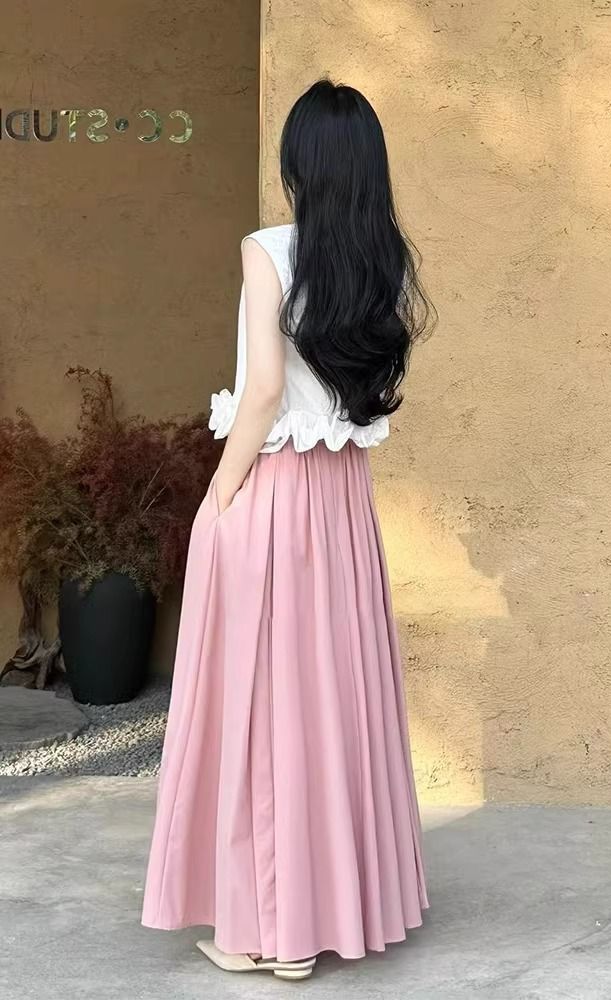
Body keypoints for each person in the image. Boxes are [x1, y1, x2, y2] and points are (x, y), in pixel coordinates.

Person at [140, 76, 435, 981]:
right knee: (331, 698)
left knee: (259, 701)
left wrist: (218, 493)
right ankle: (329, 909)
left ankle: (267, 931)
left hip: (274, 493)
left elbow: (264, 389)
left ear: (297, 164)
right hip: (343, 502)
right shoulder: (383, 261)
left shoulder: (268, 249)